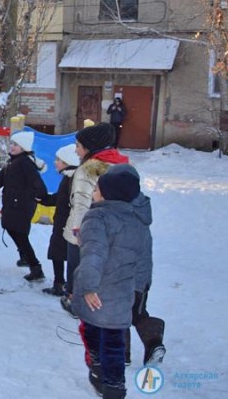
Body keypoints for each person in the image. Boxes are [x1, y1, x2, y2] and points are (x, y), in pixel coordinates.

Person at [73, 166, 150, 399]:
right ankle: (114, 387)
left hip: (96, 291)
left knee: (92, 332)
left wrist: (87, 286)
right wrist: (139, 290)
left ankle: (97, 368)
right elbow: (144, 260)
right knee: (114, 342)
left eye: (97, 188)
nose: (94, 191)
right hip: (123, 293)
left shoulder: (98, 217)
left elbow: (93, 255)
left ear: (108, 193)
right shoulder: (138, 221)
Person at [60, 122, 129, 317]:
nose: (75, 150)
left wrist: (78, 230)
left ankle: (74, 300)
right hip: (114, 228)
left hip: (86, 227)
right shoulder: (122, 164)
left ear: (89, 147)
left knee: (77, 265)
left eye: (78, 146)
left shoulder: (87, 169)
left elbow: (81, 203)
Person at [105, 164, 166, 367]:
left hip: (132, 277)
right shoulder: (136, 208)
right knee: (131, 312)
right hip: (137, 276)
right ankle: (125, 353)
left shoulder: (125, 212)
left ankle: (150, 343)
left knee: (126, 314)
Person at [0, 130, 48, 281]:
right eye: (12, 143)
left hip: (22, 205)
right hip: (13, 203)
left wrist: (38, 196)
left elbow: (38, 183)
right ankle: (24, 256)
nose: (12, 146)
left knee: (20, 234)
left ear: (24, 147)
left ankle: (35, 268)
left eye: (16, 144)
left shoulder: (25, 163)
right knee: (11, 228)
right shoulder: (11, 162)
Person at [38, 143, 80, 296]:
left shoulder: (74, 179)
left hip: (67, 224)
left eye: (59, 160)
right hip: (62, 222)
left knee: (62, 253)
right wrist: (46, 200)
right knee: (59, 253)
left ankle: (63, 285)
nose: (55, 162)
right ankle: (61, 282)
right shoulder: (68, 177)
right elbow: (60, 198)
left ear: (68, 162)